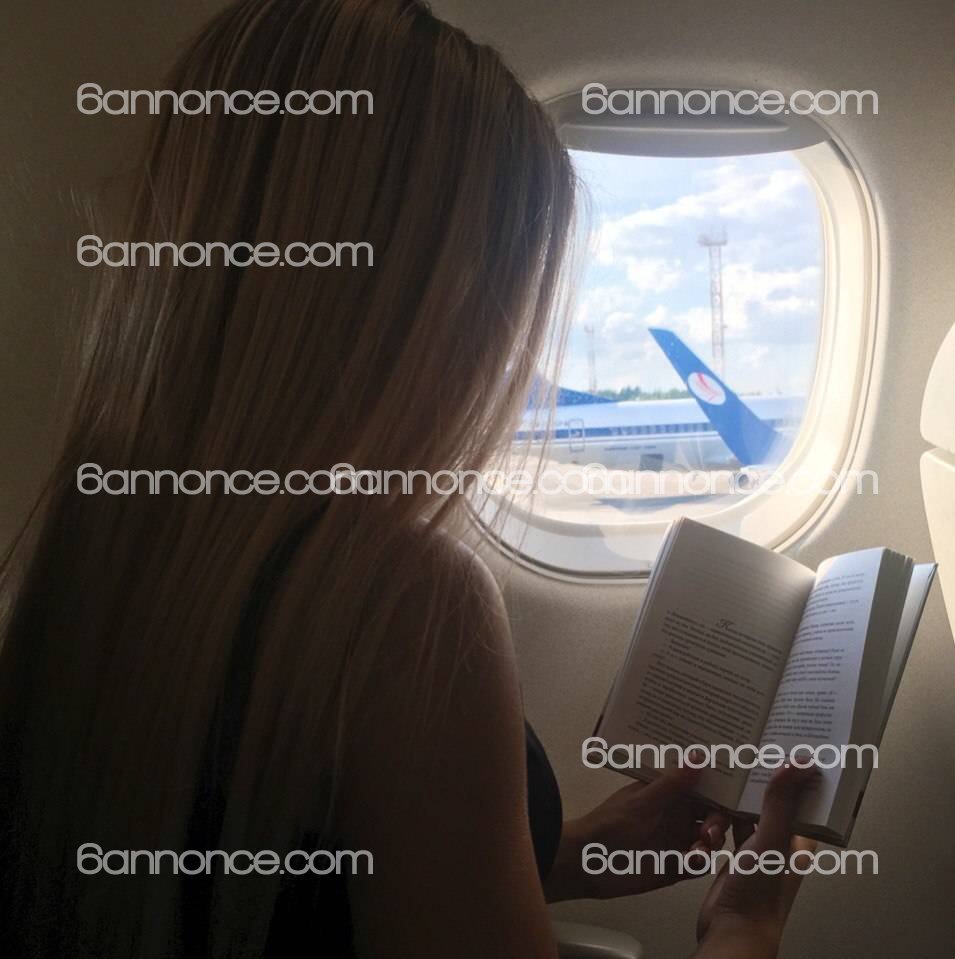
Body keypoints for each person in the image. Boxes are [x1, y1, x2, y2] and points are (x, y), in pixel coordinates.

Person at [0, 0, 817, 955]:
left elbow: (264, 879)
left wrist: (567, 850)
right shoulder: (399, 604)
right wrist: (746, 921)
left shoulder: (88, 544)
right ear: (445, 300)